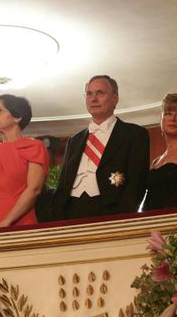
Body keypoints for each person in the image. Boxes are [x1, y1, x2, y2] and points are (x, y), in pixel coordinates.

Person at [51, 75, 150, 220]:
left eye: (100, 93)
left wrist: (124, 218)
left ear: (115, 99)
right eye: (89, 94)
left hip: (111, 211)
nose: (93, 98)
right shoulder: (74, 140)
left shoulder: (135, 134)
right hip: (70, 213)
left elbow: (137, 182)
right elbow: (62, 185)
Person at [0, 95, 48, 228]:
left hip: (21, 225)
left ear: (17, 117)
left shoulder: (35, 147)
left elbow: (34, 189)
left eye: (0, 111)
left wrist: (7, 221)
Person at [144, 94, 177, 210]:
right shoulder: (156, 161)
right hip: (152, 225)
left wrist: (161, 220)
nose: (173, 118)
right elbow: (149, 198)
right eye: (168, 113)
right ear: (161, 121)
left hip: (175, 222)